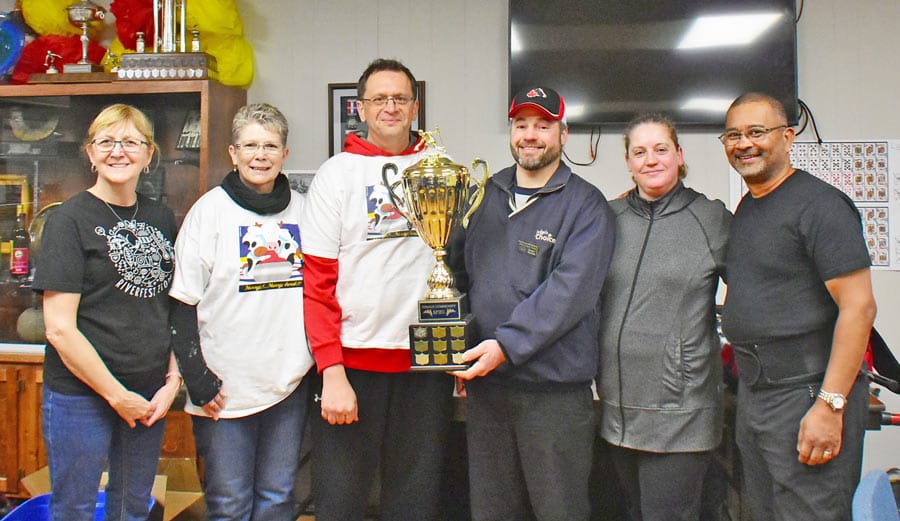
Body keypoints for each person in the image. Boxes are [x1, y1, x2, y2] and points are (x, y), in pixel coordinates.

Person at [451, 86, 616, 521]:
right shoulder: (483, 194)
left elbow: (569, 293)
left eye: (543, 126)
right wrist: (459, 345)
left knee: (558, 511)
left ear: (563, 134)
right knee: (492, 511)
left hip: (554, 395)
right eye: (521, 125)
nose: (530, 135)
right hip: (488, 390)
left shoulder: (587, 206)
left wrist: (504, 345)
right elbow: (458, 274)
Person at [300, 58, 452, 521]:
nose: (391, 107)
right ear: (361, 108)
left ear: (415, 107)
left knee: (415, 502)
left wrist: (456, 353)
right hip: (353, 367)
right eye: (380, 98)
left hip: (425, 365)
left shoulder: (440, 168)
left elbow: (457, 266)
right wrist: (331, 370)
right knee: (341, 502)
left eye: (400, 98)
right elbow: (317, 281)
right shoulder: (336, 175)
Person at [720, 92, 877, 521]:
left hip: (808, 393)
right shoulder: (750, 207)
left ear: (788, 137)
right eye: (733, 135)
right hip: (758, 394)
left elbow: (860, 308)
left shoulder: (820, 206)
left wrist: (830, 405)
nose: (744, 143)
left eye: (757, 132)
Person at [33, 103, 181, 521]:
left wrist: (172, 380)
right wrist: (116, 396)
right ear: (90, 153)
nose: (118, 151)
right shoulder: (68, 221)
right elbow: (59, 330)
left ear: (149, 154)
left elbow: (174, 307)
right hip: (82, 396)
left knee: (132, 508)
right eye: (106, 142)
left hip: (148, 393)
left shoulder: (161, 217)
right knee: (75, 509)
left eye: (131, 142)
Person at [168, 103, 314, 520]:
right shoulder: (209, 212)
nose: (260, 155)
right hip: (223, 389)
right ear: (233, 153)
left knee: (277, 498)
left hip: (288, 384)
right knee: (229, 504)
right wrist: (198, 380)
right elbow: (181, 303)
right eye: (250, 145)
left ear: (285, 154)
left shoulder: (305, 211)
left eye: (270, 146)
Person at [596, 114, 731, 521]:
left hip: (681, 416)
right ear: (628, 162)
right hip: (617, 411)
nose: (651, 159)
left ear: (679, 155)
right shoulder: (609, 218)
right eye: (640, 152)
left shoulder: (711, 219)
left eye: (661, 149)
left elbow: (757, 293)